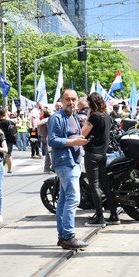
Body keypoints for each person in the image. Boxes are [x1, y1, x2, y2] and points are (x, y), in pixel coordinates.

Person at [47, 89, 90, 249]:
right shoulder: (57, 118)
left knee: (64, 201)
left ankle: (62, 236)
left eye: (73, 99)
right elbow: (52, 140)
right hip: (66, 163)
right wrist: (73, 143)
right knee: (73, 200)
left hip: (73, 162)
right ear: (62, 100)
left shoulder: (72, 116)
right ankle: (68, 236)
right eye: (67, 99)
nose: (71, 102)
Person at [81, 92, 118, 227]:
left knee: (94, 186)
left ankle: (100, 217)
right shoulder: (106, 116)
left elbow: (83, 133)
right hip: (103, 154)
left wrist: (88, 117)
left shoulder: (95, 116)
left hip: (92, 154)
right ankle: (114, 214)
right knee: (105, 185)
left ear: (91, 103)